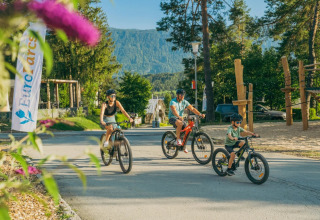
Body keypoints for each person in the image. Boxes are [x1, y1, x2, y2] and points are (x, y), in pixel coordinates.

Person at [168, 89, 205, 153]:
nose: (182, 96)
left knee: (188, 130)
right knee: (180, 124)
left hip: (181, 119)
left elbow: (192, 108)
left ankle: (183, 146)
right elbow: (174, 110)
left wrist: (200, 114)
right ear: (177, 95)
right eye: (181, 95)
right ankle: (178, 139)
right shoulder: (173, 102)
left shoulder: (184, 102)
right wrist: (178, 116)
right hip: (172, 118)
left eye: (183, 95)